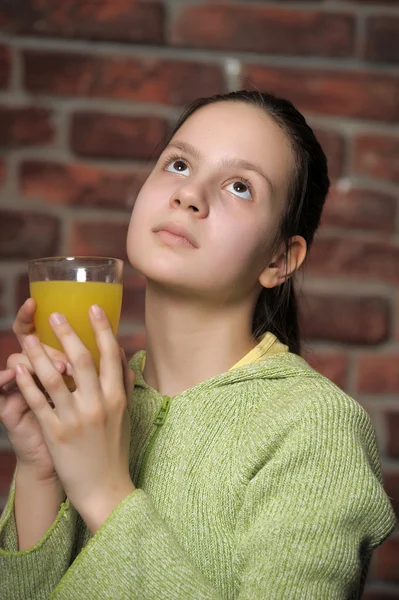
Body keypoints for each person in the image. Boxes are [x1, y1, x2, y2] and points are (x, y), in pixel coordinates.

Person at [0, 91, 395, 599]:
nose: (190, 195)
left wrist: (104, 493)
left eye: (239, 186)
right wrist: (42, 472)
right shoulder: (96, 402)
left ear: (280, 258)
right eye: (180, 164)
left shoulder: (314, 426)